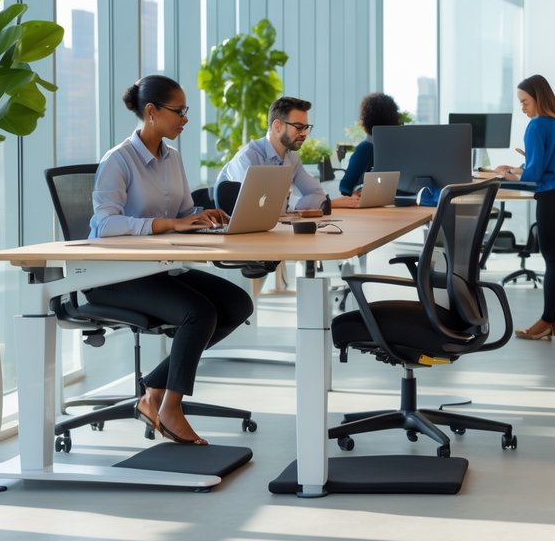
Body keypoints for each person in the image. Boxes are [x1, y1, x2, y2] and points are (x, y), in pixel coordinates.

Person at [88, 75, 254, 446]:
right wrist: (167, 223)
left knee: (237, 303)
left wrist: (201, 215)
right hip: (116, 277)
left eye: (186, 111)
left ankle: (152, 391)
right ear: (151, 112)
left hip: (160, 269)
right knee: (200, 312)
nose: (185, 118)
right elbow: (103, 224)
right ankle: (170, 407)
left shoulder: (172, 158)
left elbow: (181, 212)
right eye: (178, 111)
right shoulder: (118, 161)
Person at [493, 75, 555, 341]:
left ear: (538, 98)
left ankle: (545, 322)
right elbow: (547, 166)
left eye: (525, 102)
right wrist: (521, 169)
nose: (523, 108)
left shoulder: (536, 126)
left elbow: (534, 174)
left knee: (552, 261)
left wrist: (507, 177)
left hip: (551, 193)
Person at [217, 95, 358, 210]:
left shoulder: (292, 159)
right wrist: (291, 208)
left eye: (306, 127)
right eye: (298, 127)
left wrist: (293, 207)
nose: (304, 133)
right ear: (277, 126)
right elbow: (252, 209)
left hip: (274, 230)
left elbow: (317, 194)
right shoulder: (248, 158)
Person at [338, 92, 402, 200]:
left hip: (369, 207)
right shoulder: (398, 148)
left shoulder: (366, 148)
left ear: (365, 119)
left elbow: (345, 187)